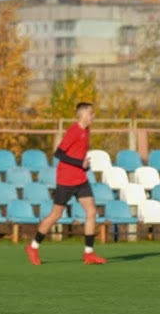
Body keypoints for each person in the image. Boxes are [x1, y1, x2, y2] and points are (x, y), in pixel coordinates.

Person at [25, 103, 106, 266]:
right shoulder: (73, 131)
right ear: (82, 115)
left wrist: (84, 165)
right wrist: (79, 163)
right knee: (56, 215)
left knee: (91, 212)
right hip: (66, 180)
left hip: (81, 179)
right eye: (91, 113)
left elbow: (77, 154)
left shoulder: (86, 131)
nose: (93, 116)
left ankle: (89, 253)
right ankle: (33, 246)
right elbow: (59, 153)